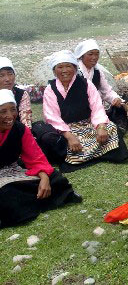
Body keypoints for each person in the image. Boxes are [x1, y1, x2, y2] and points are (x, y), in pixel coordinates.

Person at [0, 89, 81, 228]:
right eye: (3, 111)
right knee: (7, 194)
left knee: (56, 180)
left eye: (13, 109)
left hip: (12, 170)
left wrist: (44, 178)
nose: (10, 116)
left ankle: (24, 206)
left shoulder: (20, 129)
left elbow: (35, 157)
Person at [40, 50, 128, 172]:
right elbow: (52, 116)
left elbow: (97, 107)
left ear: (75, 68)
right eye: (60, 67)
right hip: (66, 129)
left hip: (88, 125)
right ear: (54, 71)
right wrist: (70, 136)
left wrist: (101, 127)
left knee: (111, 128)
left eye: (68, 66)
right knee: (52, 140)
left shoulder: (86, 84)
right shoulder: (50, 89)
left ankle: (80, 157)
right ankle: (97, 153)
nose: (65, 70)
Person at [74, 39, 128, 131]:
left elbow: (106, 90)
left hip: (96, 106)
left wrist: (115, 98)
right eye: (90, 54)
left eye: (96, 54)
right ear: (82, 56)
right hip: (80, 109)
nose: (94, 57)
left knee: (122, 104)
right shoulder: (75, 72)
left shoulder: (97, 71)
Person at [0, 57, 31, 128]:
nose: (7, 79)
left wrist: (26, 135)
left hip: (17, 132)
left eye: (10, 74)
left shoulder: (21, 94)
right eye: (1, 75)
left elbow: (26, 121)